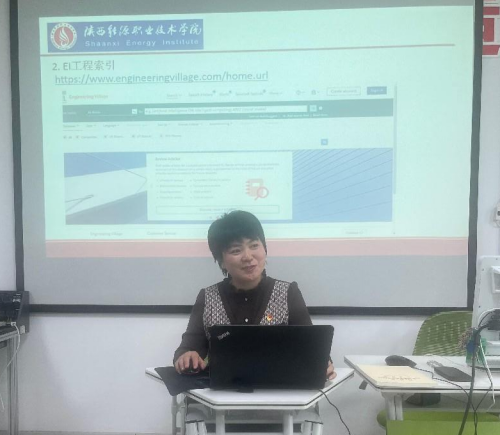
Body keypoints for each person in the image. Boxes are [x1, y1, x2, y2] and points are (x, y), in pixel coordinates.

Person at [174, 210, 336, 380]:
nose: (248, 256)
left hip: (279, 389)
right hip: (223, 391)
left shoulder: (288, 292)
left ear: (264, 248)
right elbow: (187, 348)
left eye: (254, 245)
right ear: (221, 261)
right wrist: (186, 356)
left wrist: (323, 362)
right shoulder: (208, 297)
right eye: (236, 250)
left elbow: (311, 347)